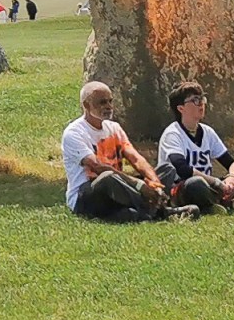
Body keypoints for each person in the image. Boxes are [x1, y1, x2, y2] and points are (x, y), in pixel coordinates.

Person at [63, 81, 174, 222]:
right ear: (86, 105)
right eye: (102, 102)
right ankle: (157, 210)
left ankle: (151, 207)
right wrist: (139, 186)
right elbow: (98, 168)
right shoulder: (74, 133)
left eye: (110, 101)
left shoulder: (114, 128)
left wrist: (154, 182)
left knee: (167, 169)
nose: (109, 106)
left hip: (120, 189)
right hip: (87, 195)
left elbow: (136, 158)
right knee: (107, 178)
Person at [157, 82, 234, 212]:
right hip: (182, 189)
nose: (201, 103)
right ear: (181, 108)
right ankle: (225, 204)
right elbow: (183, 169)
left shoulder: (207, 132)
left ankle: (217, 204)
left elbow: (231, 163)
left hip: (209, 186)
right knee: (195, 183)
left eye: (202, 99)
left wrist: (232, 178)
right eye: (195, 100)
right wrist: (217, 183)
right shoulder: (172, 134)